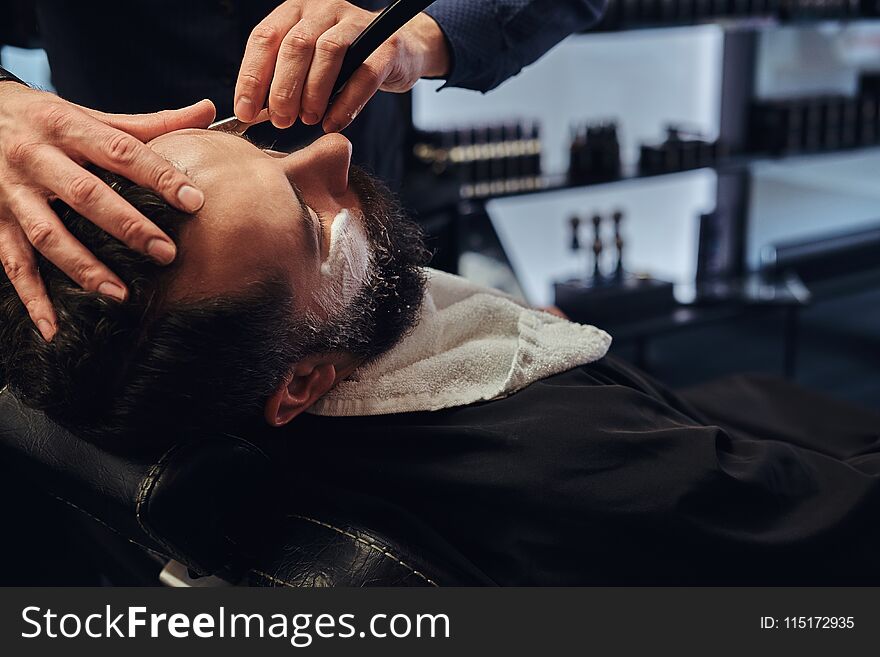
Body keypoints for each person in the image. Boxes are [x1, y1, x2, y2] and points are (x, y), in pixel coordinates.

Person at [3, 127, 880, 586]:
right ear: (303, 382)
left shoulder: (168, 391)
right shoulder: (588, 464)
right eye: (313, 224)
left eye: (263, 146)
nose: (335, 149)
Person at [0, 0, 606, 343]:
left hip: (374, 210)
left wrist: (430, 29)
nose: (327, 151)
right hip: (115, 260)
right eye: (306, 218)